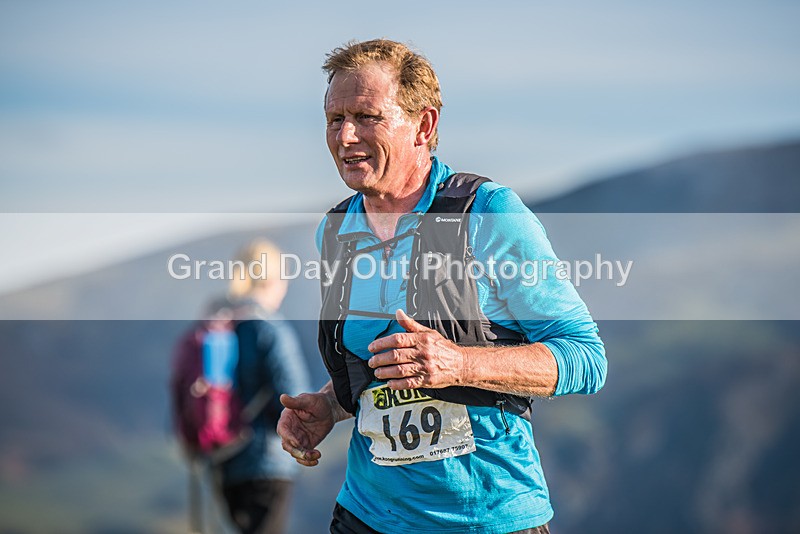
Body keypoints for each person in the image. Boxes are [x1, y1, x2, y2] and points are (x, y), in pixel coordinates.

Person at [277, 39, 607, 533]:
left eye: (366, 116)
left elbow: (586, 359)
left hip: (486, 517)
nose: (345, 135)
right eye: (334, 118)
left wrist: (460, 363)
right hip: (367, 515)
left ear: (424, 126)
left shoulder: (488, 213)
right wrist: (329, 405)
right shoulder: (335, 230)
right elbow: (379, 364)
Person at [208, 239, 311, 534]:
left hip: (225, 459)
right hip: (266, 459)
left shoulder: (222, 325)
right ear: (272, 280)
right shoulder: (270, 329)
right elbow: (294, 397)